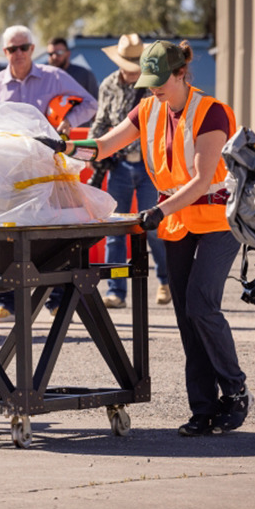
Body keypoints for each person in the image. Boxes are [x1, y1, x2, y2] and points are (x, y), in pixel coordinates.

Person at [37, 40, 250, 437]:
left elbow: (203, 179)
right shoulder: (148, 108)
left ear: (181, 73)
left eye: (159, 81)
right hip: (177, 220)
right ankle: (203, 409)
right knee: (187, 319)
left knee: (202, 306)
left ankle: (235, 391)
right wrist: (66, 147)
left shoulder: (211, 112)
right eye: (149, 82)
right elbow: (102, 147)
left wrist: (156, 211)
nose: (152, 89)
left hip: (217, 219)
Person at [0, 25, 98, 320]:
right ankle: (7, 300)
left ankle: (55, 298)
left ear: (32, 49)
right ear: (4, 52)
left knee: (54, 230)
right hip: (8, 171)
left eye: (23, 47)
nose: (18, 54)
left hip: (49, 168)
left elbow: (90, 104)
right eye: (11, 49)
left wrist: (67, 119)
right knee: (4, 232)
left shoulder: (55, 77)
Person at [91, 34, 170, 308]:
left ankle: (165, 280)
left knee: (154, 227)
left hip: (149, 165)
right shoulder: (108, 85)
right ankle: (116, 291)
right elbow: (101, 120)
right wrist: (94, 153)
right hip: (120, 164)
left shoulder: (152, 86)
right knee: (115, 229)